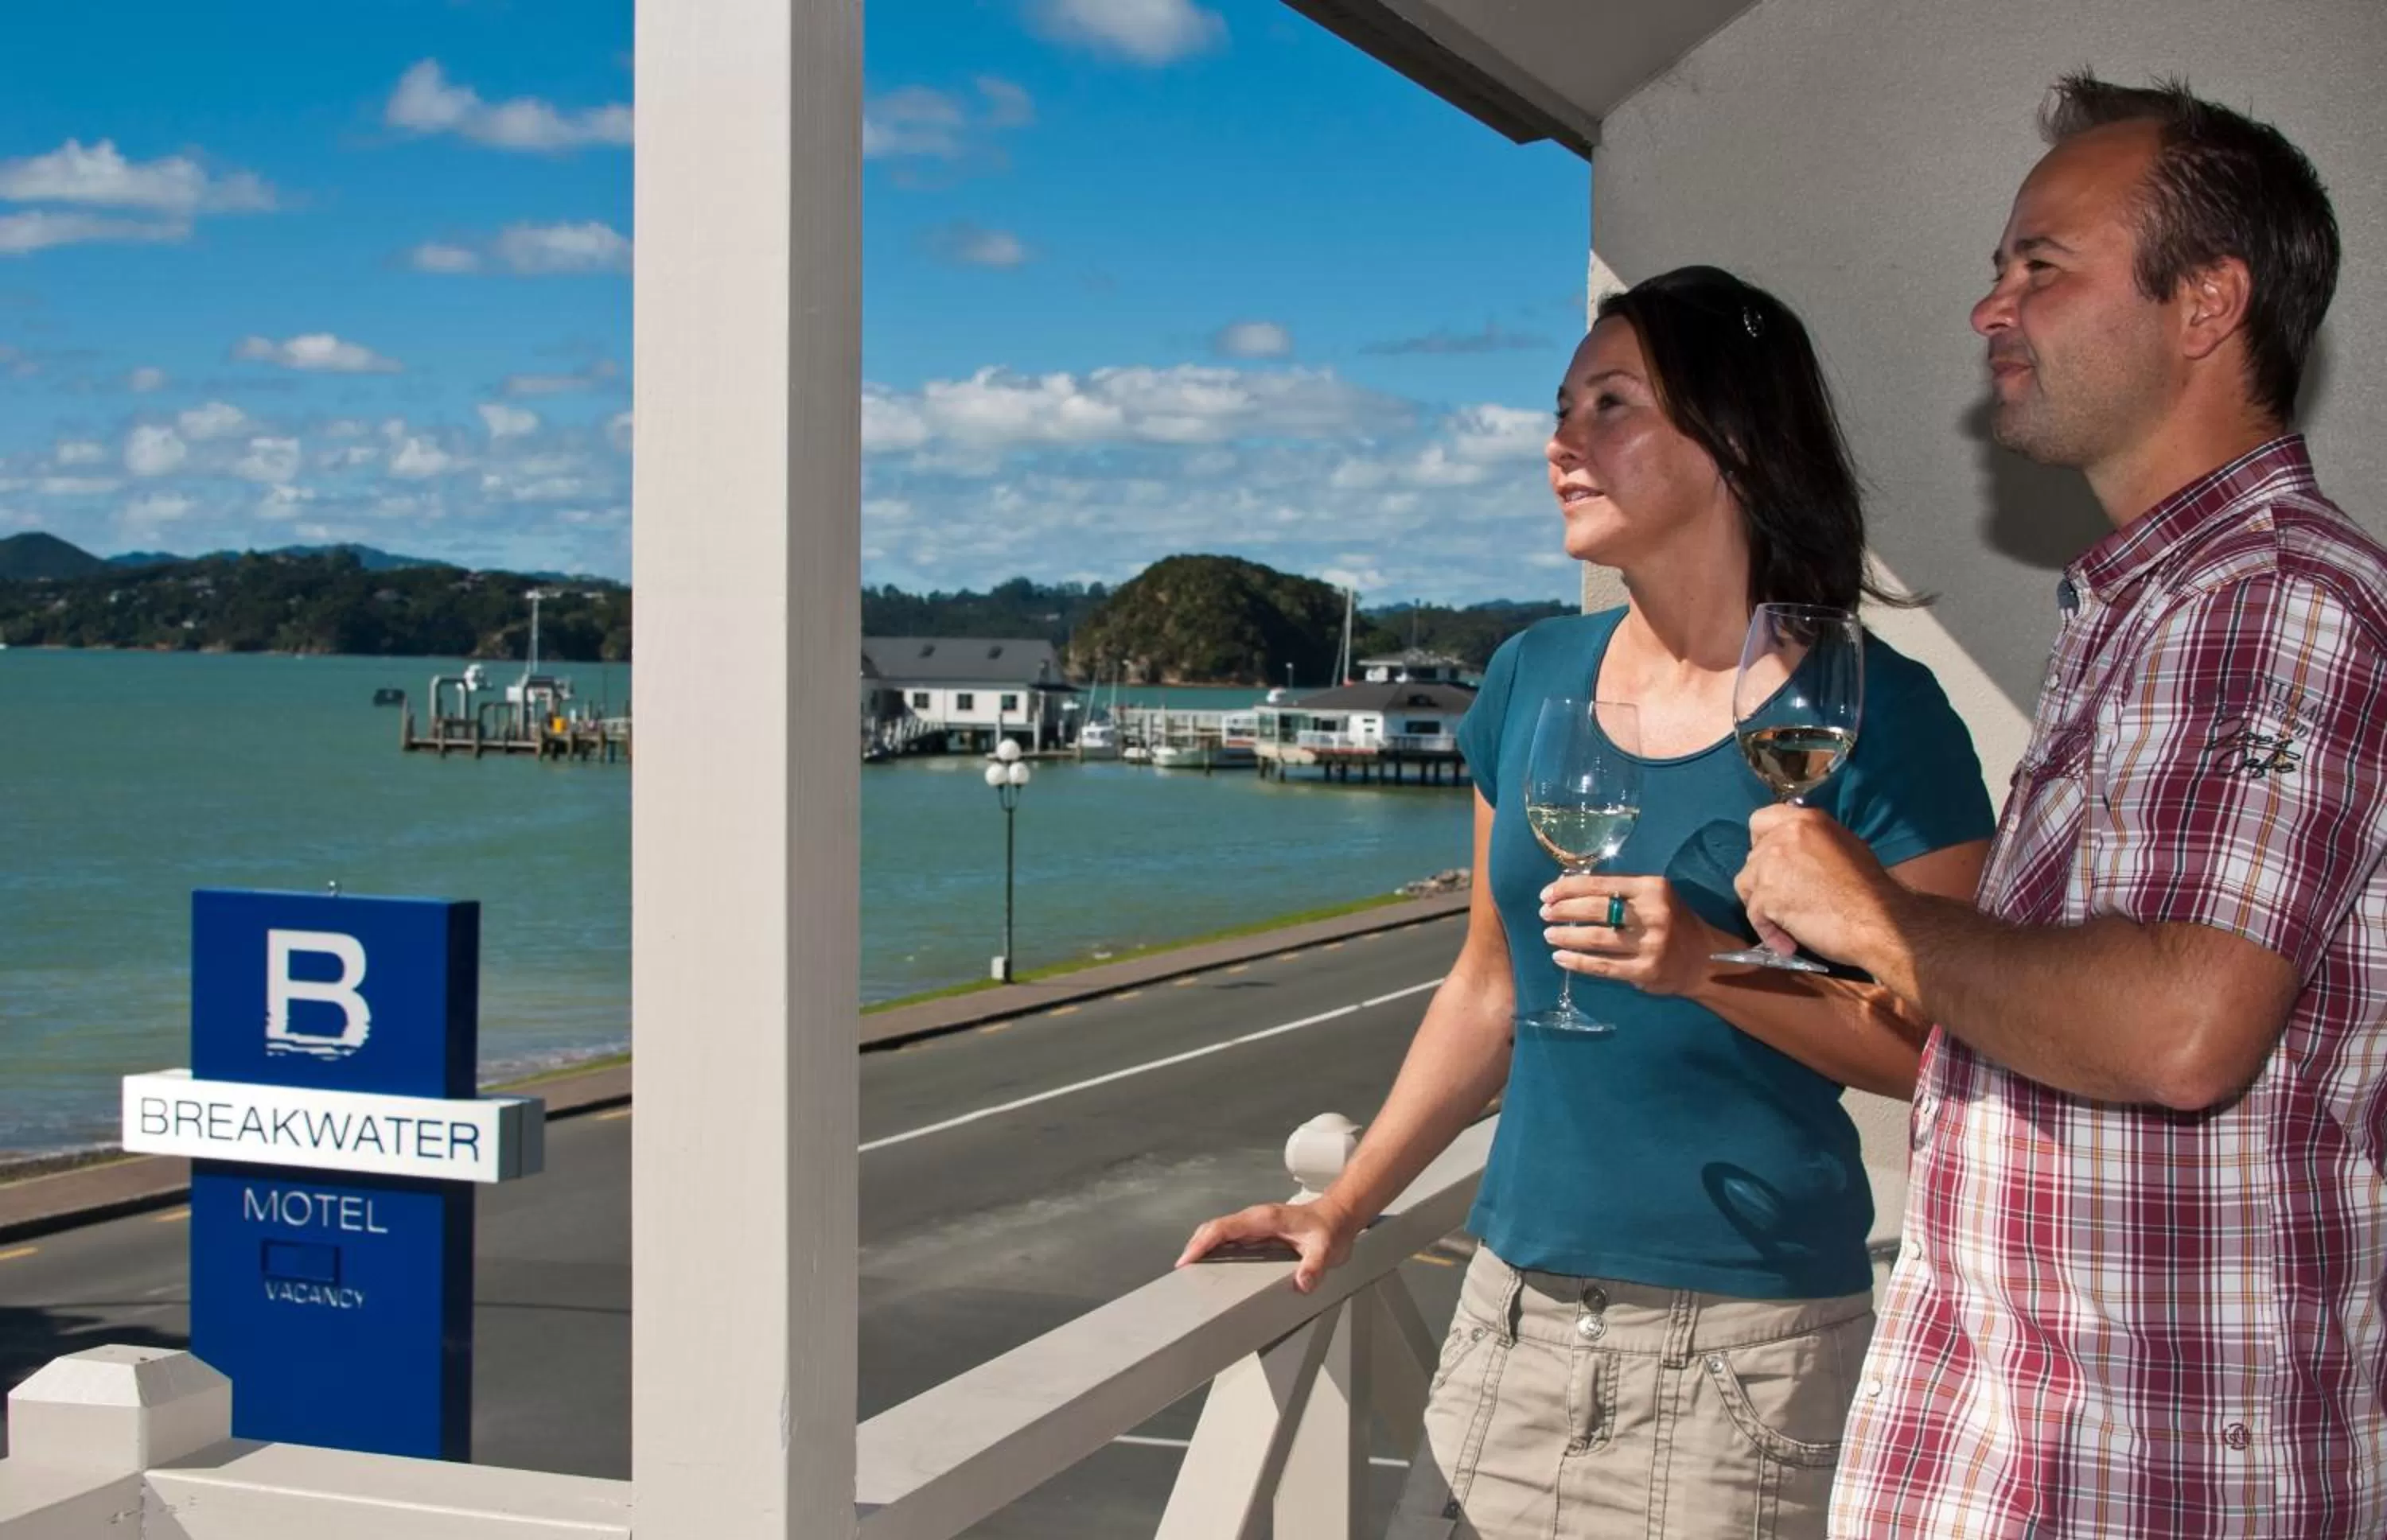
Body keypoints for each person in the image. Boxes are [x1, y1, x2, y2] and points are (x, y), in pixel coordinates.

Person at [1178, 265, 1996, 1539]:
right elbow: (1490, 986)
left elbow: (1940, 1049)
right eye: (1561, 408)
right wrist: (1344, 1203)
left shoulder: (1879, 716)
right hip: (1508, 1314)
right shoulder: (1531, 675)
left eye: (1610, 406)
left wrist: (1710, 966)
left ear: (1732, 438)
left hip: (1745, 1353)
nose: (1561, 443)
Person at [1735, 75, 2382, 1539]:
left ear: (2205, 303)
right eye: (1995, 270)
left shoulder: (2277, 600)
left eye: (2040, 265)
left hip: (2149, 1479)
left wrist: (1879, 920)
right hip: (2042, 1462)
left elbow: (2178, 1030)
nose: (1990, 310)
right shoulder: (2146, 610)